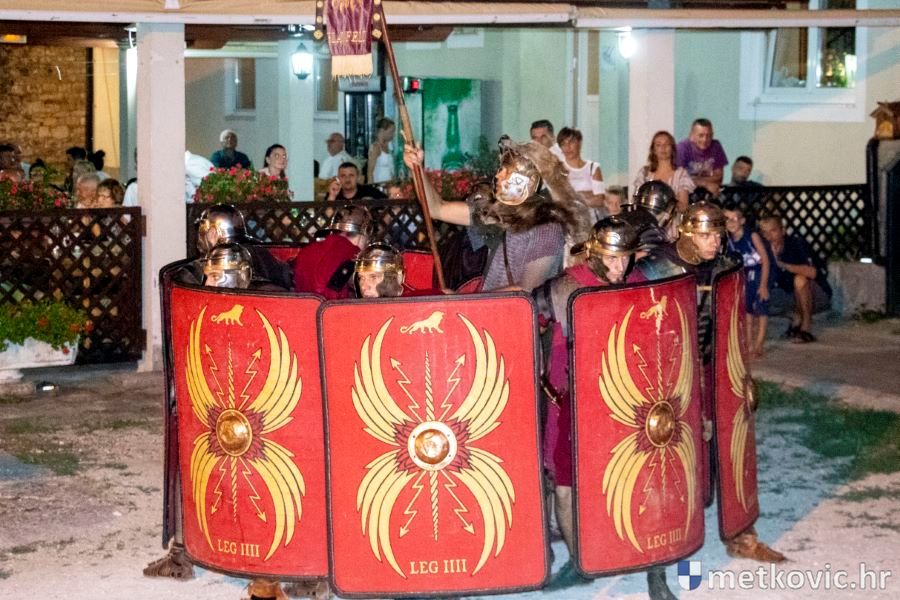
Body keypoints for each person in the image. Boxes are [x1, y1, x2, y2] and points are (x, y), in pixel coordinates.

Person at [638, 202, 786, 564]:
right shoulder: (656, 267)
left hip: (710, 366)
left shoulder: (723, 268)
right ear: (687, 233)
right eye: (706, 235)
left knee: (728, 442)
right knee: (670, 452)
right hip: (667, 376)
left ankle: (742, 535)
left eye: (718, 235)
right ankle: (663, 537)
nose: (714, 243)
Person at [404, 137, 590, 293]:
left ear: (531, 181)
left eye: (508, 172)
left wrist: (463, 301)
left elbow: (527, 290)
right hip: (489, 309)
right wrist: (416, 169)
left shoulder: (547, 227)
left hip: (517, 319)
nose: (498, 177)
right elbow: (437, 208)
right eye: (501, 170)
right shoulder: (496, 212)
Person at [758, 215, 832, 344]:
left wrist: (781, 264)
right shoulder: (762, 249)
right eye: (765, 232)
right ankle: (795, 319)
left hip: (817, 294)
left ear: (783, 230)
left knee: (800, 280)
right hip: (787, 295)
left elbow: (812, 272)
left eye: (773, 231)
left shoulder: (796, 244)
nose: (769, 236)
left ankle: (806, 327)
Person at [195, 204, 293, 290]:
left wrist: (213, 253)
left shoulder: (227, 257)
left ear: (213, 232)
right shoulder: (260, 250)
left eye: (203, 232)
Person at [292, 205, 372, 299]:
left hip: (302, 306)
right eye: (367, 240)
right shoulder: (352, 253)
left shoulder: (307, 250)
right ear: (364, 235)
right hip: (334, 307)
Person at [724, 203, 771, 357]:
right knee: (747, 309)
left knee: (761, 306)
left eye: (734, 219)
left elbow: (765, 260)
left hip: (760, 272)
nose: (730, 222)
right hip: (745, 274)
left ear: (742, 221)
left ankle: (759, 343)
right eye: (727, 219)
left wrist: (763, 285)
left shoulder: (751, 236)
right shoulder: (728, 240)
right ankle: (748, 343)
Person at [633, 130, 695, 213]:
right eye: (658, 145)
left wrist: (666, 202)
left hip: (672, 220)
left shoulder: (681, 174)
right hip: (647, 219)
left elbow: (683, 207)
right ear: (654, 150)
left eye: (667, 144)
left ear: (672, 148)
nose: (663, 148)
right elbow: (636, 201)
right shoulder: (644, 173)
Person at [556, 127, 606, 222]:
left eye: (571, 142)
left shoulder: (593, 167)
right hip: (569, 220)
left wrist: (574, 196)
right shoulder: (558, 169)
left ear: (579, 143)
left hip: (592, 220)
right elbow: (561, 200)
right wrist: (587, 194)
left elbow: (600, 200)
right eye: (563, 144)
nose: (567, 147)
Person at [675, 118, 728, 197]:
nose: (705, 140)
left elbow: (718, 177)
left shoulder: (716, 146)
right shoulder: (682, 148)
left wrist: (694, 180)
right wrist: (705, 183)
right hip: (685, 195)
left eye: (708, 136)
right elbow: (679, 179)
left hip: (709, 195)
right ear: (691, 136)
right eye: (701, 135)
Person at [368, 117, 396, 184]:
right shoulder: (375, 147)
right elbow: (369, 173)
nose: (393, 135)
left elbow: (391, 169)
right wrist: (371, 188)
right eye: (391, 132)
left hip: (389, 184)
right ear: (382, 131)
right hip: (378, 185)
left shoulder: (389, 146)